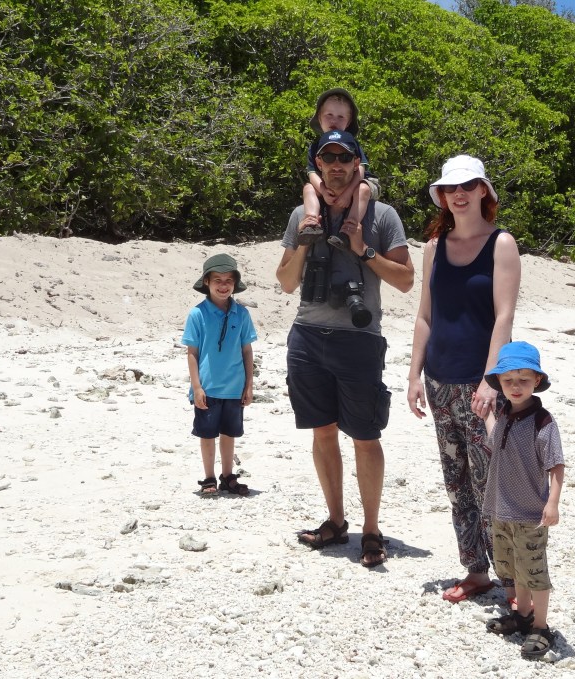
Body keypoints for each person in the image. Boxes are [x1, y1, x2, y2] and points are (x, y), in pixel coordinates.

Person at [276, 128, 414, 567]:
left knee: (366, 437)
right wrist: (305, 241)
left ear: (357, 163)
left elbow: (406, 280)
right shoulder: (302, 214)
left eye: (344, 157)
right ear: (318, 163)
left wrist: (363, 249)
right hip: (307, 335)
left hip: (360, 338)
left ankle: (371, 530)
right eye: (328, 157)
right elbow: (285, 282)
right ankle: (336, 521)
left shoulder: (383, 215)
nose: (336, 165)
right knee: (322, 431)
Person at [406, 155, 521, 603]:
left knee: (490, 484)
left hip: (482, 383)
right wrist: (414, 375)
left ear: (483, 191)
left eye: (468, 186)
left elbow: (504, 317)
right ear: (441, 195)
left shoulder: (501, 244)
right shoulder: (434, 247)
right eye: (451, 188)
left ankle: (513, 580)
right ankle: (475, 571)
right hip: (438, 380)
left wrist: (491, 381)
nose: (459, 194)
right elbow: (425, 315)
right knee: (456, 483)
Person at [481, 341, 564, 659]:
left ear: (537, 381)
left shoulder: (543, 421)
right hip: (500, 507)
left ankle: (541, 626)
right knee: (512, 566)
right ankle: (522, 614)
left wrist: (552, 503)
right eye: (509, 381)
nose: (516, 387)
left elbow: (556, 465)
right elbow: (494, 439)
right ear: (500, 383)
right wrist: (487, 415)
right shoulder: (504, 413)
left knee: (534, 570)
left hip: (530, 513)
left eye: (523, 380)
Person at [182, 254, 258, 496]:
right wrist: (196, 387)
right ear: (207, 282)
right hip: (207, 387)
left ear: (235, 283)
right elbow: (192, 353)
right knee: (206, 434)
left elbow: (247, 350)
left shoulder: (241, 314)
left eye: (228, 280)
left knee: (229, 433)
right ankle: (209, 478)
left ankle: (227, 476)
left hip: (235, 387)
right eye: (217, 280)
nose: (223, 285)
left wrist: (249, 385)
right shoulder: (197, 314)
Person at [300, 88, 380, 246]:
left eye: (340, 117)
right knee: (308, 188)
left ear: (348, 122)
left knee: (363, 189)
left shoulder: (353, 143)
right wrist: (323, 190)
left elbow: (361, 170)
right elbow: (312, 173)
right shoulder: (315, 146)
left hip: (360, 182)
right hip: (328, 184)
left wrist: (348, 192)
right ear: (319, 118)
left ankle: (349, 229)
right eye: (329, 115)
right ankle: (311, 223)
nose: (334, 121)